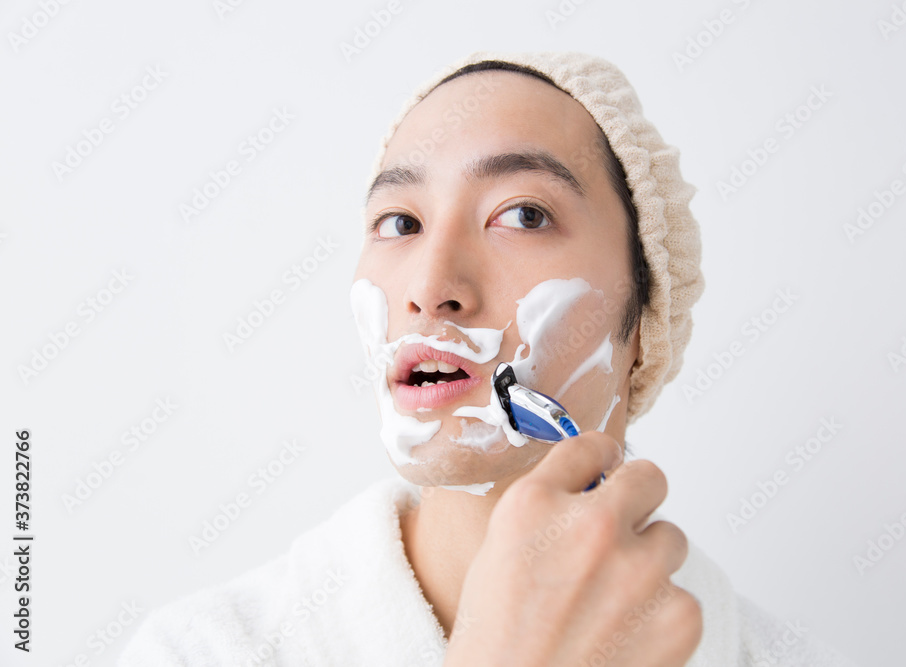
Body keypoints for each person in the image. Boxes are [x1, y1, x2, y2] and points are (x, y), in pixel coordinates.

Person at [119, 50, 859, 666]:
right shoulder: (198, 652)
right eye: (400, 222)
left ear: (645, 320)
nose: (430, 287)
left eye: (523, 214)